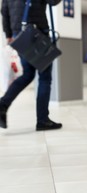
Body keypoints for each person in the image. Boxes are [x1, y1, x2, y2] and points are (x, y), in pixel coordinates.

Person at [0, 0, 63, 130]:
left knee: (28, 74)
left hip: (19, 34)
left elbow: (4, 11)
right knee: (45, 77)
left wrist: (9, 35)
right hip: (36, 33)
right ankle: (43, 120)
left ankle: (2, 104)